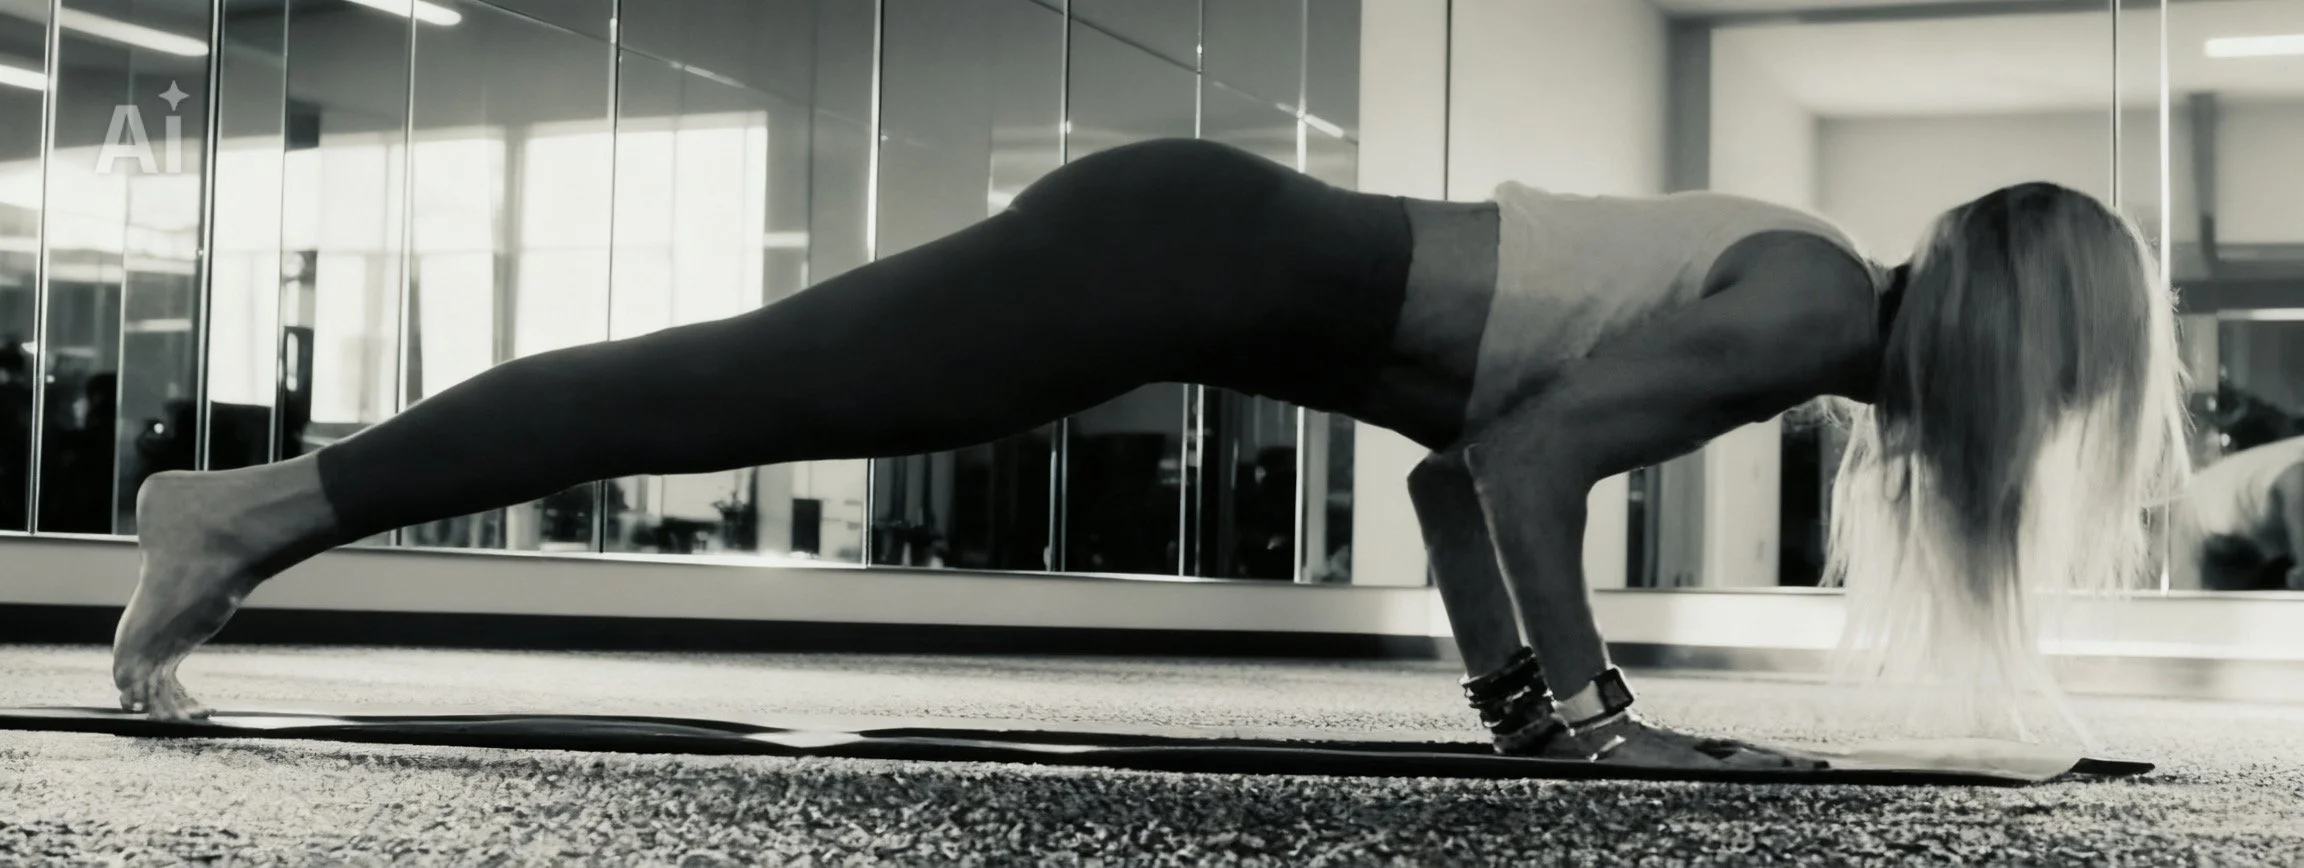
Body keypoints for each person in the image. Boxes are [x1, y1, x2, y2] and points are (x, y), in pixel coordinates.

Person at [111, 139, 2188, 768]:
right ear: (2016, 344)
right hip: (1176, 246)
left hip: (1184, 246)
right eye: (2075, 391)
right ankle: (254, 504)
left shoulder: (1800, 303)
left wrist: (1526, 713)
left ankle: (262, 507)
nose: (2061, 431)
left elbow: (1461, 472)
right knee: (724, 388)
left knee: (726, 380)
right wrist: (1594, 712)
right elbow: (1541, 463)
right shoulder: (1813, 303)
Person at [2169, 435, 2304, 592]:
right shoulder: (2296, 468)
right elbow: (2296, 493)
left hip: (2247, 547)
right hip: (2199, 523)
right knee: (2188, 607)